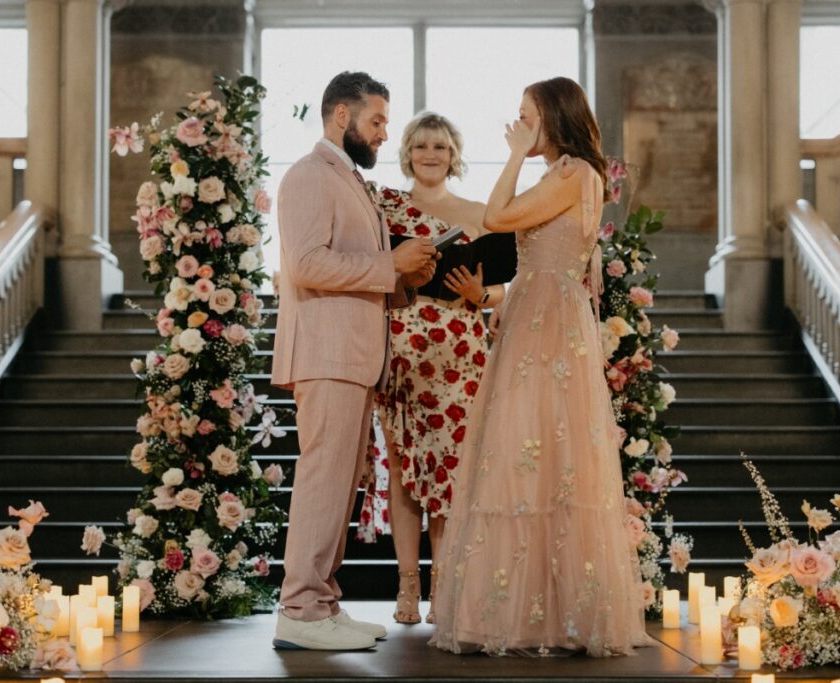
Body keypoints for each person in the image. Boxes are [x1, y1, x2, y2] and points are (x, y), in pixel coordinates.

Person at [428, 77, 650, 657]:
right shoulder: (561, 175)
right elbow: (539, 264)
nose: (518, 126)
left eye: (526, 117)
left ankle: (553, 615)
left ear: (552, 118)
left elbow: (497, 215)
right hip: (534, 311)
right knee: (525, 455)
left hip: (548, 324)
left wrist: (510, 155)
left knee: (544, 455)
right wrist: (486, 295)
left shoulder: (575, 172)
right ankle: (528, 611)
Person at [271, 71, 436, 651]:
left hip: (353, 354)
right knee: (323, 480)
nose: (385, 134)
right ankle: (300, 609)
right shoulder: (310, 176)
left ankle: (322, 604)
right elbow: (308, 265)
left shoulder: (349, 180)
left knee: (341, 485)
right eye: (377, 121)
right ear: (342, 116)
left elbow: (354, 265)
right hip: (327, 352)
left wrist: (405, 275)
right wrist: (392, 265)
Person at [362, 112, 507, 626]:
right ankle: (407, 587)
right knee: (403, 471)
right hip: (403, 346)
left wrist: (479, 294)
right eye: (421, 145)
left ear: (453, 155)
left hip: (461, 353)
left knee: (449, 473)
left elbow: (501, 289)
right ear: (406, 152)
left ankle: (445, 587)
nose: (430, 154)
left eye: (440, 147)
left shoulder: (478, 212)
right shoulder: (384, 208)